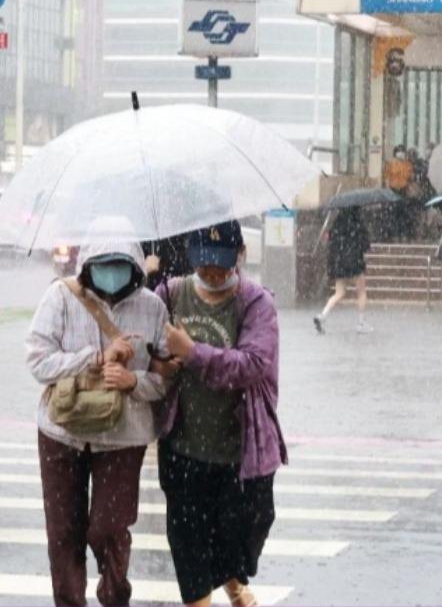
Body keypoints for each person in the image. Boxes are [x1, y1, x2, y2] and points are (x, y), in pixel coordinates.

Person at [26, 230, 170, 607]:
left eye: (120, 266)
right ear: (87, 267)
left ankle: (115, 594)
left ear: (135, 268)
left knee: (109, 528)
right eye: (103, 266)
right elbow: (37, 361)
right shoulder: (60, 296)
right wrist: (95, 357)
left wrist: (132, 380)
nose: (112, 274)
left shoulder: (152, 307)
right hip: (62, 431)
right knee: (63, 533)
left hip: (123, 436)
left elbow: (165, 381)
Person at [155, 220, 285, 607]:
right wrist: (162, 363)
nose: (212, 271)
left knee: (237, 542)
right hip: (182, 448)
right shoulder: (171, 293)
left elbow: (253, 364)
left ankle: (235, 584)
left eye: (221, 263)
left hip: (237, 455)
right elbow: (150, 348)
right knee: (188, 548)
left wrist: (192, 352)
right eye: (204, 262)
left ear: (240, 255)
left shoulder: (256, 302)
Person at [314, 206, 372, 334]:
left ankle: (322, 315)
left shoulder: (336, 224)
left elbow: (330, 242)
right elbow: (366, 245)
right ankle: (361, 323)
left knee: (339, 293)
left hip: (339, 264)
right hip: (355, 262)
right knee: (361, 292)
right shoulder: (358, 225)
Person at [384, 145, 415, 240]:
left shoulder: (408, 164)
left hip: (403, 190)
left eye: (402, 151)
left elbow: (411, 177)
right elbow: (387, 178)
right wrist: (388, 189)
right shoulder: (390, 164)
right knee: (394, 214)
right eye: (399, 151)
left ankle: (403, 235)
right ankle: (395, 235)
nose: (401, 154)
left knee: (403, 214)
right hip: (393, 191)